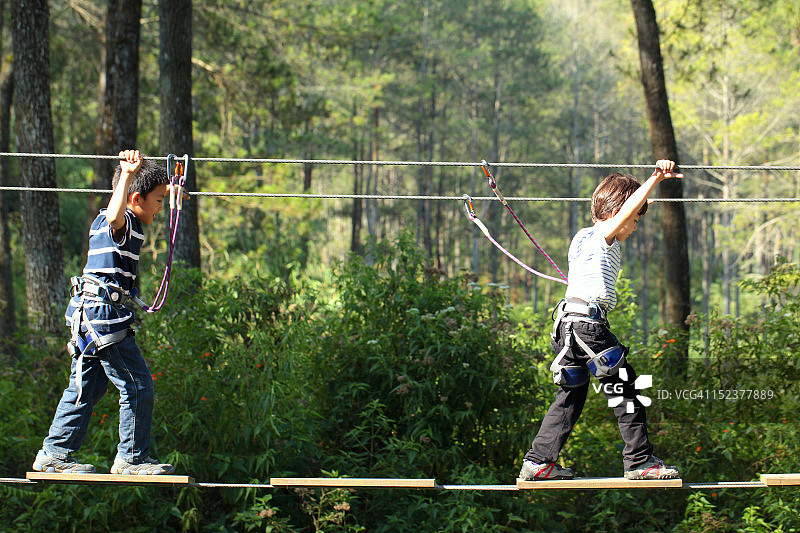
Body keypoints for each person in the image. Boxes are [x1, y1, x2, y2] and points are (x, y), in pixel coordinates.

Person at [519, 160, 682, 481]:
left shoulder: (583, 237)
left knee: (570, 396)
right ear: (617, 213)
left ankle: (538, 462)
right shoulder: (604, 235)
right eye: (635, 219)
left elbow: (622, 214)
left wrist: (639, 203)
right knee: (627, 391)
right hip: (588, 328)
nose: (634, 227)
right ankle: (640, 461)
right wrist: (655, 179)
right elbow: (622, 215)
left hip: (566, 328)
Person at [33, 150, 176, 475]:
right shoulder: (120, 222)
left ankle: (53, 454)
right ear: (135, 199)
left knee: (87, 387)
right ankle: (132, 459)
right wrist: (127, 174)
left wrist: (172, 189)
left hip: (88, 315)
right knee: (138, 385)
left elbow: (137, 199)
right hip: (102, 316)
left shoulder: (128, 218)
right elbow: (116, 216)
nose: (161, 208)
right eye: (158, 201)